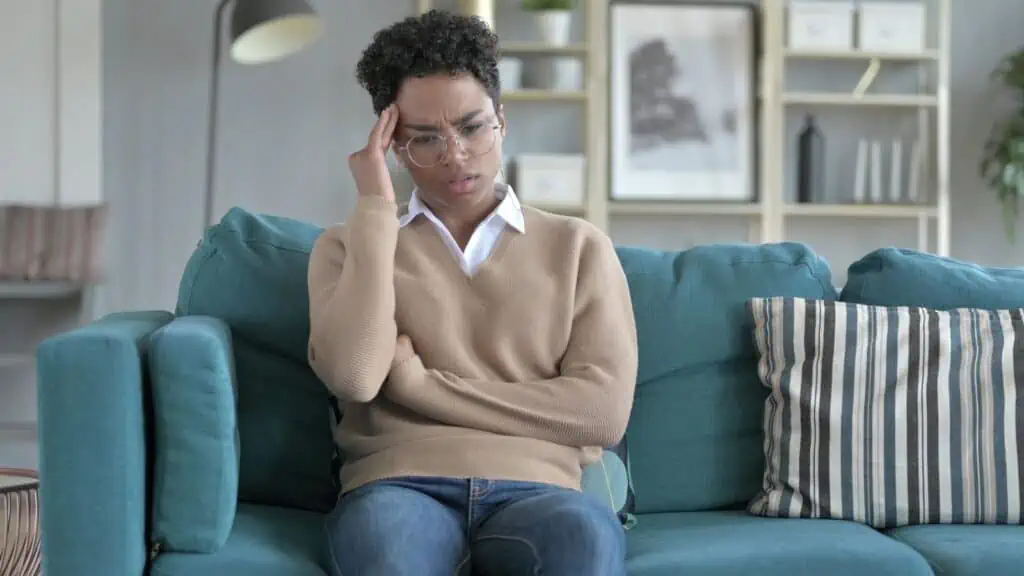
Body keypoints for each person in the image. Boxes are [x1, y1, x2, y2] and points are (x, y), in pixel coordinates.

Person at [307, 9, 638, 576]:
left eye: (472, 126)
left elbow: (601, 416)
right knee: (387, 551)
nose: (455, 154)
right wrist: (375, 210)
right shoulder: (349, 247)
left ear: (502, 121)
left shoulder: (579, 247)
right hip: (397, 487)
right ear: (392, 146)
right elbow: (356, 377)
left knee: (584, 539)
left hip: (541, 492)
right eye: (425, 138)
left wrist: (419, 387)